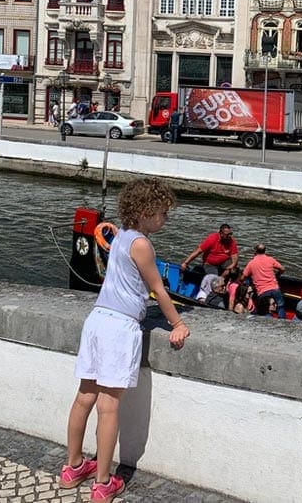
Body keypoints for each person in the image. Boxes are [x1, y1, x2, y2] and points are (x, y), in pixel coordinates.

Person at [61, 178, 188, 501]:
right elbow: (158, 289)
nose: (165, 220)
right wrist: (177, 323)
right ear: (145, 213)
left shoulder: (120, 236)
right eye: (162, 213)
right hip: (120, 327)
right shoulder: (142, 244)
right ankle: (103, 482)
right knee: (108, 406)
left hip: (97, 319)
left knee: (84, 397)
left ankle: (73, 466)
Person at [242, 243, 286, 319]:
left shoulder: (251, 263)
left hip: (262, 290)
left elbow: (243, 276)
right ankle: (283, 321)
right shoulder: (270, 259)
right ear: (265, 251)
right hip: (274, 288)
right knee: (280, 306)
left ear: (255, 251)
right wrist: (277, 275)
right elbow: (282, 269)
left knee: (264, 309)